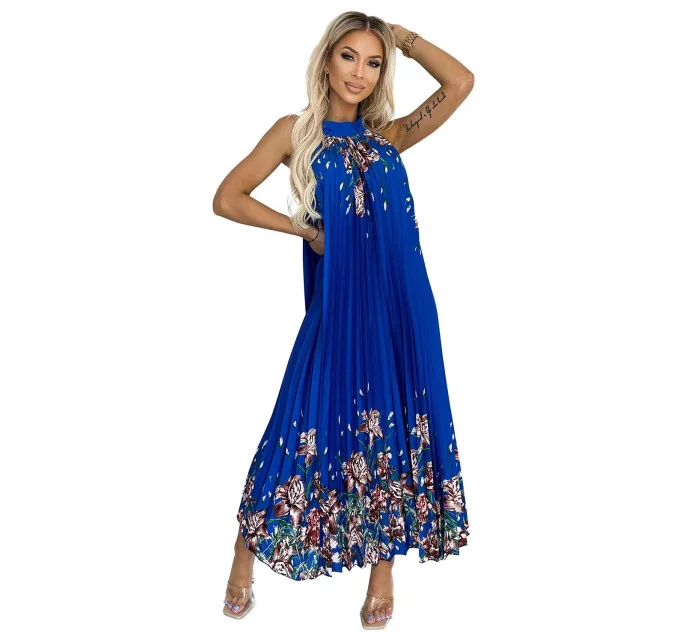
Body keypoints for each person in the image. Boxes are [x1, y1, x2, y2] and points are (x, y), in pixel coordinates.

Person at [212, 10, 475, 629]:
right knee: (302, 417)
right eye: (349, 56)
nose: (360, 72)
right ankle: (245, 550)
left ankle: (383, 569)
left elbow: (461, 82)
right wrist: (304, 231)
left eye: (374, 62)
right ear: (326, 59)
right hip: (339, 304)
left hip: (401, 303)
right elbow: (227, 198)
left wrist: (399, 36)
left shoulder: (388, 136)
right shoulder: (294, 133)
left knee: (393, 425)